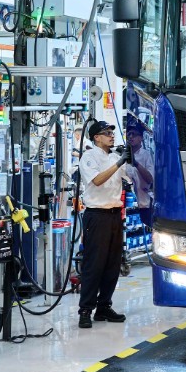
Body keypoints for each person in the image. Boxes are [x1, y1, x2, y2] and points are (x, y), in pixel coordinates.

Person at [75, 120, 131, 328]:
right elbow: (97, 180)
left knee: (112, 265)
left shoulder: (115, 157)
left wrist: (132, 159)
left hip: (115, 215)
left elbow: (132, 177)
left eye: (112, 133)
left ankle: (104, 307)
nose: (111, 136)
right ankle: (85, 310)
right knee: (94, 265)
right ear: (96, 137)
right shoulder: (89, 157)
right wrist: (120, 163)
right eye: (107, 133)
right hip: (96, 216)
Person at [125, 124, 155, 232]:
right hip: (128, 205)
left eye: (134, 134)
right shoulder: (123, 156)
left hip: (144, 205)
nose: (131, 137)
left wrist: (136, 164)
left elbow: (150, 179)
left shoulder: (146, 155)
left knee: (147, 231)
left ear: (141, 138)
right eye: (129, 134)